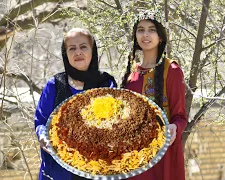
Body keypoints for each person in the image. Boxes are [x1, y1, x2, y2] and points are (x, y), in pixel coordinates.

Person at [34, 28, 117, 180]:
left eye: (83, 46)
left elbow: (114, 123)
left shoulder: (106, 83)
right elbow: (41, 121)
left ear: (93, 51)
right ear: (66, 54)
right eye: (72, 48)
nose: (78, 52)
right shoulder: (55, 85)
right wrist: (43, 135)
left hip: (96, 168)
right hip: (60, 170)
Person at [121, 9, 187, 180]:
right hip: (133, 156)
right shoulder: (131, 73)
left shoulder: (171, 71)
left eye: (151, 29)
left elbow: (180, 116)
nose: (146, 34)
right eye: (140, 29)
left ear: (161, 37)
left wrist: (174, 128)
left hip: (162, 156)